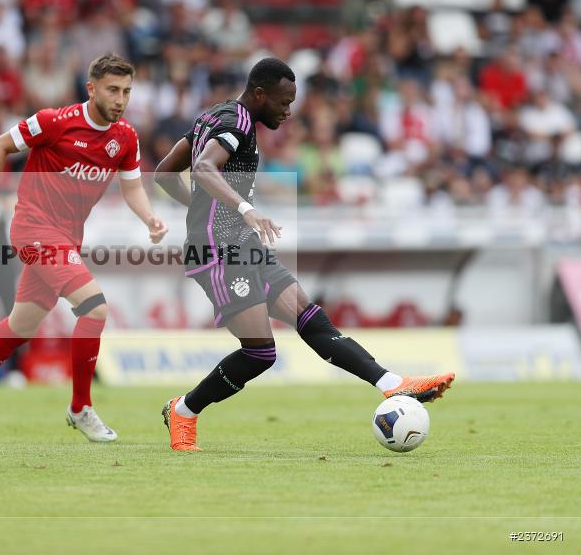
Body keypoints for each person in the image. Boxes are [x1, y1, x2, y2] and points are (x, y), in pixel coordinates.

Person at [154, 57, 455, 451]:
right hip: (217, 250)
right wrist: (240, 210)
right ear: (259, 94)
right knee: (260, 353)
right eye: (282, 101)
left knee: (311, 319)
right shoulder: (236, 123)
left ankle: (392, 384)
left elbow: (164, 173)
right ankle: (184, 411)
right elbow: (206, 168)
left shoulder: (212, 116)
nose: (288, 110)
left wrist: (199, 208)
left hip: (242, 244)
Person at [0, 53, 168, 444]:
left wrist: (149, 218)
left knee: (21, 324)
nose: (121, 99)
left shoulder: (125, 136)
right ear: (91, 88)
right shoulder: (54, 122)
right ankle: (80, 408)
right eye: (113, 90)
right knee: (94, 308)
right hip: (32, 228)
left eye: (127, 91)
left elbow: (131, 186)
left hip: (66, 237)